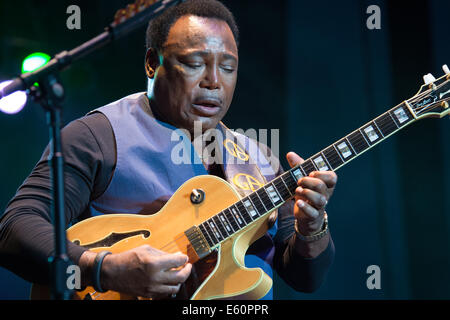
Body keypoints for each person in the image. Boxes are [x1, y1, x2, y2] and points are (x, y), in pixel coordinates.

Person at [0, 0, 336, 300]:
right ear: (151, 63)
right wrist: (104, 269)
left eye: (228, 68)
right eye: (194, 63)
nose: (214, 81)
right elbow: (15, 228)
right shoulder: (98, 135)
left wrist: (313, 228)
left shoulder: (260, 160)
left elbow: (305, 278)